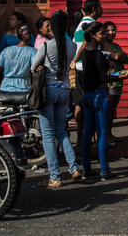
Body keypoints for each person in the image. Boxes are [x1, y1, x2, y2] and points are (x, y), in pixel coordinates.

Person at [73, 21, 128, 180]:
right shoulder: (99, 55)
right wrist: (122, 76)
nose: (104, 35)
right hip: (100, 94)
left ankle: (86, 168)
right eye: (101, 33)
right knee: (103, 132)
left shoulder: (85, 53)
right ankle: (104, 170)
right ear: (92, 36)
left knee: (88, 132)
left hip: (87, 95)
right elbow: (104, 77)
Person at [31, 11, 81, 188]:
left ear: (52, 26)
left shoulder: (46, 46)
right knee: (61, 131)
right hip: (64, 91)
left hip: (48, 92)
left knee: (48, 135)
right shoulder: (72, 46)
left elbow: (33, 66)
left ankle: (55, 176)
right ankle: (74, 169)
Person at [99, 21, 128, 145]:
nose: (111, 33)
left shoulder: (116, 46)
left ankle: (109, 133)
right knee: (107, 111)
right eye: (108, 30)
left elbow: (125, 58)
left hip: (118, 81)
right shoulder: (102, 46)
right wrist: (117, 57)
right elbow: (115, 58)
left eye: (113, 30)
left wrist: (119, 56)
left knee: (112, 111)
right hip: (109, 82)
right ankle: (104, 136)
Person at [0, 23, 35, 92]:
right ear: (31, 36)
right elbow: (36, 69)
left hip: (5, 89)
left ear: (17, 36)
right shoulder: (33, 51)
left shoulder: (5, 51)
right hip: (24, 90)